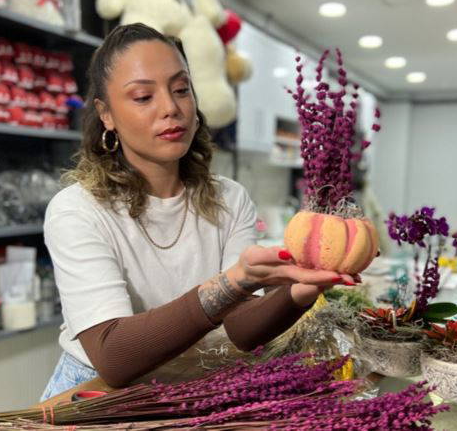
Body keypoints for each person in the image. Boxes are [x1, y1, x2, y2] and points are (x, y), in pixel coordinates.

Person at [40, 23, 355, 401]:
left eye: (181, 89)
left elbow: (241, 330)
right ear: (106, 114)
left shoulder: (230, 198)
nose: (171, 108)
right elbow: (114, 357)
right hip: (95, 399)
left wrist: (297, 294)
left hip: (189, 392)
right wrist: (233, 283)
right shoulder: (78, 209)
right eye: (143, 96)